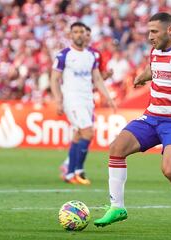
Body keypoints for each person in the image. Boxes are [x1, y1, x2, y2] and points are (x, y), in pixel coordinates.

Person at [94, 12, 171, 233]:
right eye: (148, 31)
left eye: (154, 31)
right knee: (116, 148)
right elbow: (154, 68)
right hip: (151, 117)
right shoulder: (156, 51)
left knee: (170, 170)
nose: (150, 36)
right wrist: (142, 77)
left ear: (170, 29)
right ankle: (117, 207)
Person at [51, 22, 115, 185]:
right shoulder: (63, 55)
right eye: (76, 32)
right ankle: (78, 171)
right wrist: (59, 100)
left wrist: (107, 97)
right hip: (72, 100)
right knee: (88, 133)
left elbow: (97, 78)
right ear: (70, 35)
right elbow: (54, 79)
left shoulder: (90, 56)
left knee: (78, 134)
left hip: (87, 99)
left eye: (81, 32)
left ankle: (70, 173)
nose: (79, 34)